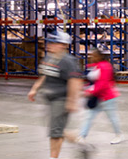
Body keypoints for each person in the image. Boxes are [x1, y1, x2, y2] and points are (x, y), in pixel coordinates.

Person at [27, 30, 93, 159]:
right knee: (57, 129)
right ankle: (81, 144)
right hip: (49, 98)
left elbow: (75, 82)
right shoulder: (48, 58)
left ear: (63, 45)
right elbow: (45, 75)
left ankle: (53, 157)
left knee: (54, 133)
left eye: (53, 42)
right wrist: (34, 89)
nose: (49, 45)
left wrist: (71, 101)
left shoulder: (68, 61)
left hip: (61, 99)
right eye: (50, 42)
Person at [78, 47, 122, 144]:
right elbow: (94, 81)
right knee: (89, 116)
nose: (91, 57)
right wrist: (85, 87)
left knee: (112, 117)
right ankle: (82, 136)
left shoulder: (105, 66)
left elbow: (103, 83)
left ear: (99, 56)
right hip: (97, 97)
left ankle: (118, 135)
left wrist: (89, 91)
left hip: (107, 97)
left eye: (93, 56)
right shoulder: (95, 66)